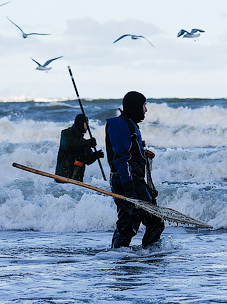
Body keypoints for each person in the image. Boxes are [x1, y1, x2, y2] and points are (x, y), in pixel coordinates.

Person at [105, 91, 163, 248]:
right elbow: (121, 158)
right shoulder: (121, 124)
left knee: (129, 222)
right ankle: (151, 256)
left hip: (129, 179)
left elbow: (127, 152)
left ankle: (120, 257)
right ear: (135, 106)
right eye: (144, 105)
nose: (146, 110)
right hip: (127, 180)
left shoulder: (129, 123)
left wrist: (141, 153)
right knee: (154, 220)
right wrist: (129, 188)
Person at [55, 114, 105, 182]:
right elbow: (69, 145)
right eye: (86, 123)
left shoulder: (84, 142)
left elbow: (87, 160)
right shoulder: (66, 134)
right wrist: (88, 143)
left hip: (77, 182)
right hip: (63, 178)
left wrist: (96, 155)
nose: (88, 126)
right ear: (80, 123)